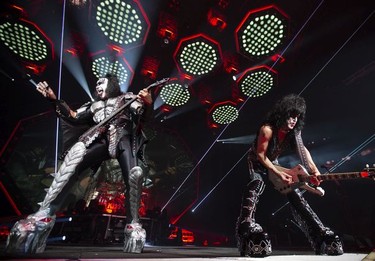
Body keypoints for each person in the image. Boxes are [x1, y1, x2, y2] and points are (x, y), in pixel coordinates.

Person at [6, 73, 153, 254]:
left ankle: (133, 223)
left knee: (134, 175)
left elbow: (141, 114)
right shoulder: (93, 106)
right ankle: (44, 213)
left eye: (102, 83)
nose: (98, 86)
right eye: (97, 83)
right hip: (100, 140)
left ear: (112, 85)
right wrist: (54, 100)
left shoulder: (127, 98)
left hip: (123, 138)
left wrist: (147, 102)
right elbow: (74, 116)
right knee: (72, 162)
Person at [236, 94, 344, 257]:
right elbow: (260, 154)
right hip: (257, 160)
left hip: (274, 161)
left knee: (294, 192)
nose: (294, 120)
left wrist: (314, 170)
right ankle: (246, 224)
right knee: (256, 183)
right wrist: (278, 171)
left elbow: (303, 151)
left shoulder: (294, 133)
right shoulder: (267, 129)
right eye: (291, 116)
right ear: (282, 114)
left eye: (297, 117)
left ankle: (318, 231)